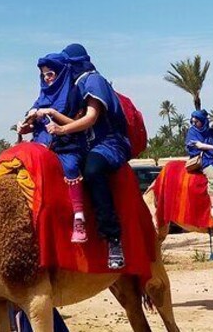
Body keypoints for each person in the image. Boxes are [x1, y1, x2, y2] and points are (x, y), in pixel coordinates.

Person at [44, 43, 130, 270]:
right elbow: (77, 125)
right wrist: (51, 114)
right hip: (87, 145)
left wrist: (61, 130)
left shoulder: (93, 80)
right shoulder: (75, 86)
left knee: (92, 171)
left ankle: (113, 240)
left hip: (108, 144)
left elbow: (91, 118)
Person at [18, 52, 89, 243]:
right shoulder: (42, 96)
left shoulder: (74, 94)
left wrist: (53, 113)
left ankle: (79, 218)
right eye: (44, 75)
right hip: (40, 144)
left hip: (67, 146)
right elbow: (31, 123)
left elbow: (79, 122)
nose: (47, 78)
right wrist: (25, 125)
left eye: (50, 74)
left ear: (60, 73)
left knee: (71, 168)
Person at [185, 109, 213, 221]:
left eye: (197, 122)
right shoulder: (192, 132)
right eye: (193, 121)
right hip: (203, 160)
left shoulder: (211, 132)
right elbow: (199, 145)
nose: (194, 124)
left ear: (203, 121)